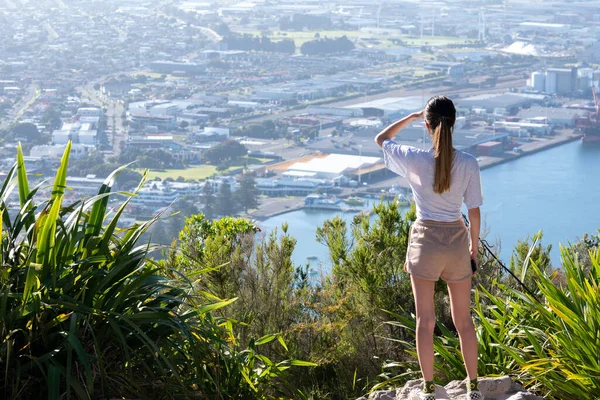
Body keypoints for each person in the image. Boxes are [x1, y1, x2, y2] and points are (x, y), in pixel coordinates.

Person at [374, 96, 484, 400]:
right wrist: (474, 250)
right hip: (458, 243)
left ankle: (427, 389)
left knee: (425, 321)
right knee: (463, 320)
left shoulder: (414, 158)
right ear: (456, 122)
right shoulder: (469, 163)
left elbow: (381, 139)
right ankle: (473, 387)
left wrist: (409, 118)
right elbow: (473, 211)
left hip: (425, 242)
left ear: (427, 125)